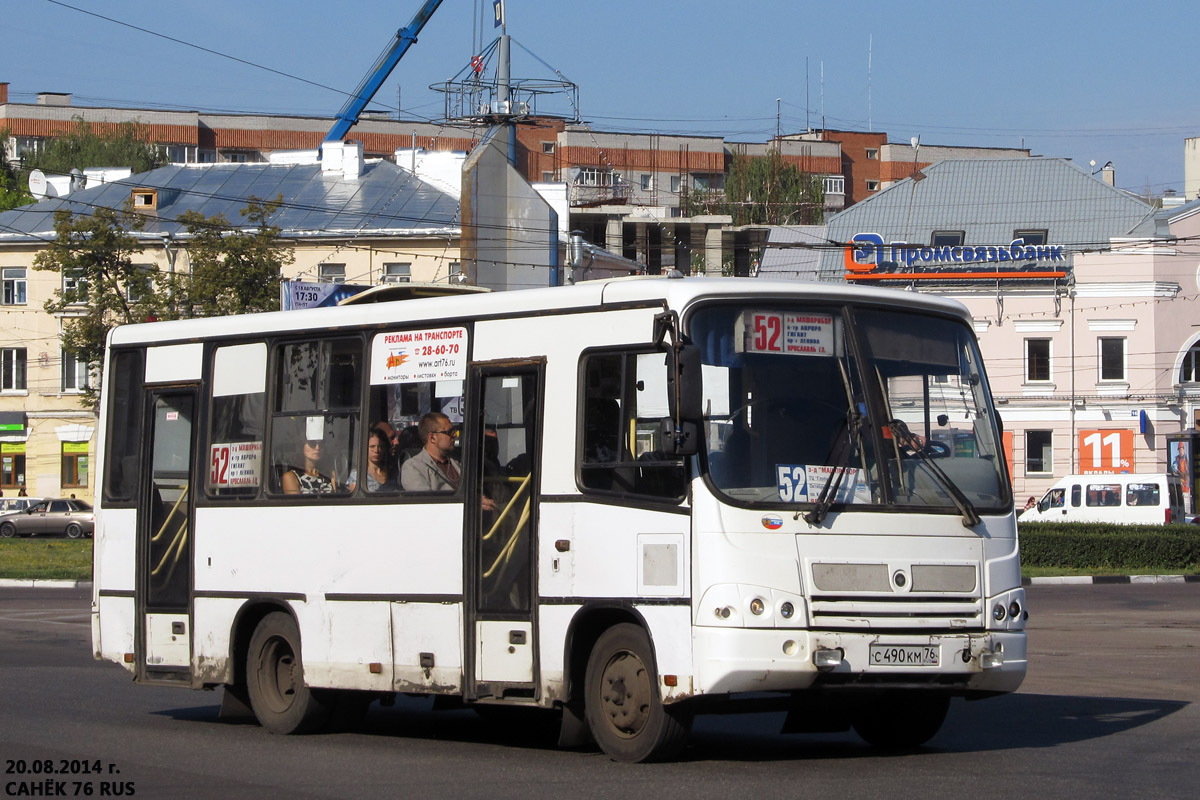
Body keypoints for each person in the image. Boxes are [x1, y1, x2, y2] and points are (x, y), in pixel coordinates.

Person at [401, 412, 496, 511]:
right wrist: (472, 502)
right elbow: (426, 503)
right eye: (449, 432)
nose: (454, 435)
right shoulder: (413, 467)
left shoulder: (457, 460)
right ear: (432, 438)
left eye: (454, 431)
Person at [347, 428, 398, 493]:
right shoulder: (357, 475)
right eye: (372, 446)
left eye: (381, 446)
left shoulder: (393, 472)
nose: (376, 450)